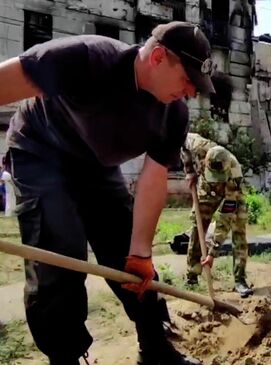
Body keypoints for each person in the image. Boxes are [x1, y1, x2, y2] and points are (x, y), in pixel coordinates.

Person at [0, 20, 217, 364]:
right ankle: (66, 357)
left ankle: (155, 351)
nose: (191, 91)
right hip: (40, 152)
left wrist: (141, 251)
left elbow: (153, 178)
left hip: (95, 167)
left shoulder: (173, 114)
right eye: (187, 79)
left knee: (131, 261)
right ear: (158, 57)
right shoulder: (85, 59)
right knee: (60, 256)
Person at [180, 132, 253, 298]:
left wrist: (213, 252)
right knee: (198, 225)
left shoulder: (234, 172)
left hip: (230, 192)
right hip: (206, 189)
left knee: (239, 229)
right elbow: (183, 145)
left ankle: (240, 279)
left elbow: (226, 218)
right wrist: (189, 170)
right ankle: (192, 275)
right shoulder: (197, 145)